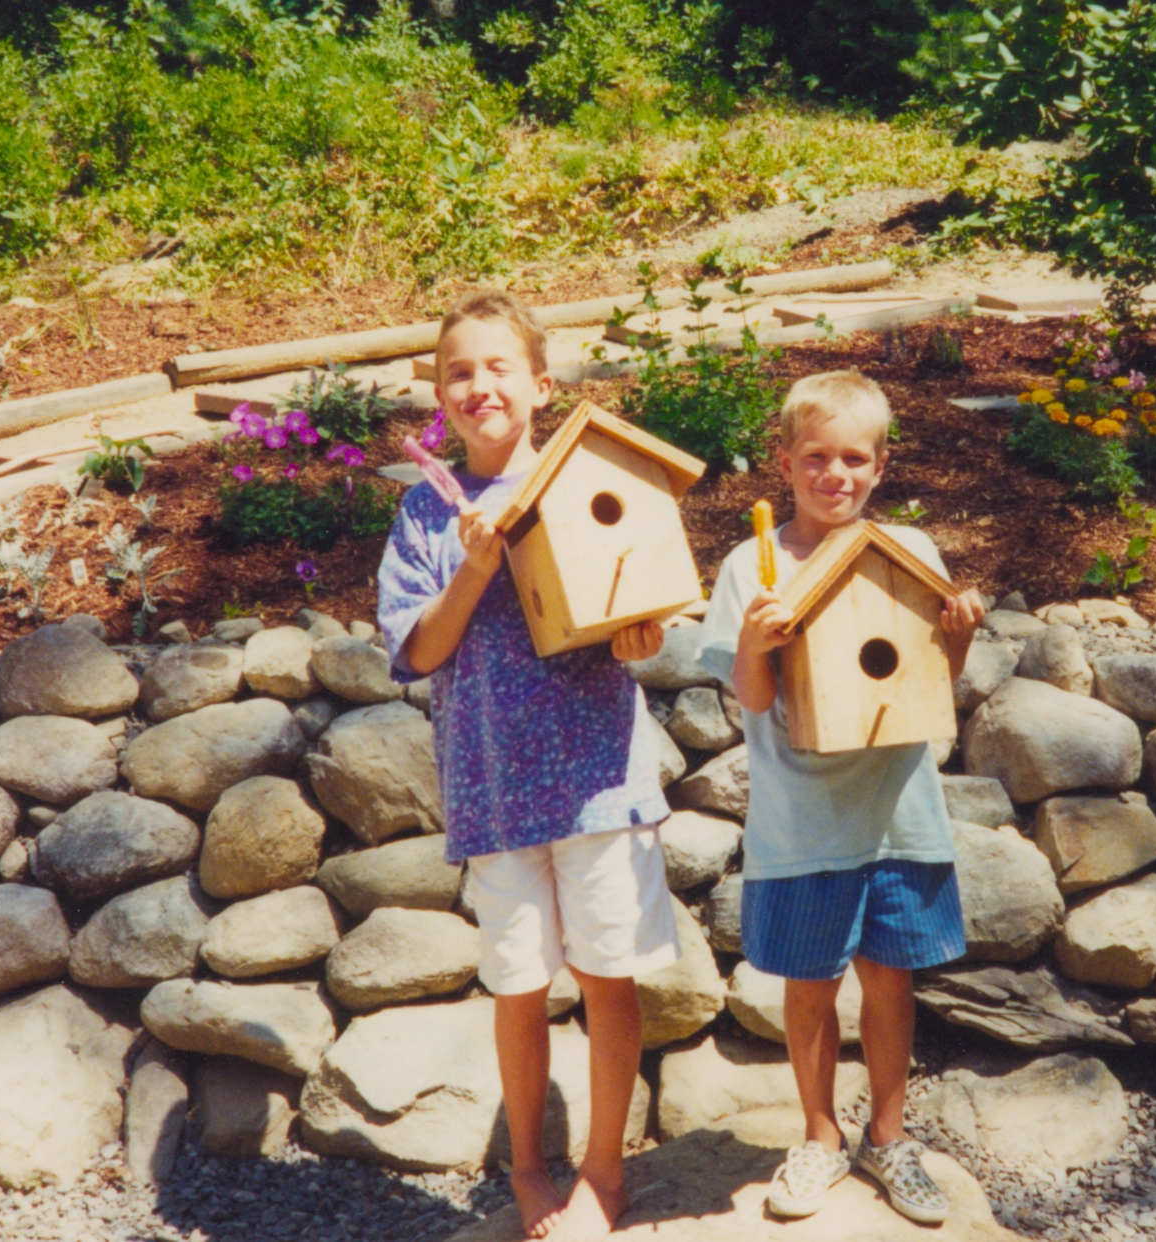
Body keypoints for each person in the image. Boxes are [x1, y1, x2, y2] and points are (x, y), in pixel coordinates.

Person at [378, 290, 678, 1242]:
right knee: (516, 985)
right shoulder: (426, 514)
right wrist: (474, 564)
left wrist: (638, 635)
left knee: (607, 975)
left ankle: (604, 1173)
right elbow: (419, 651)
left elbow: (635, 606)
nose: (480, 386)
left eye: (498, 367)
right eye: (458, 372)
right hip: (494, 785)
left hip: (598, 778)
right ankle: (526, 1167)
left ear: (542, 385)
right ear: (439, 396)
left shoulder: (585, 477)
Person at [696, 370, 984, 1225]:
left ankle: (887, 1137)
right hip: (802, 823)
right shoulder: (752, 567)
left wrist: (959, 638)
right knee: (811, 983)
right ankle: (820, 1136)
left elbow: (928, 681)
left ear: (881, 465)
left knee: (890, 979)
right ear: (783, 461)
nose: (836, 474)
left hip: (899, 816)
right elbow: (752, 699)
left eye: (855, 458)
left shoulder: (910, 551)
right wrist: (755, 642)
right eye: (816, 457)